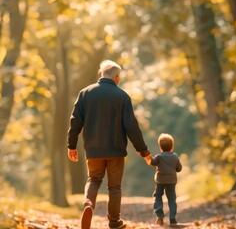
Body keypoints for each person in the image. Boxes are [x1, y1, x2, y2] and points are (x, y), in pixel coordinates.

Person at [67, 59, 152, 229]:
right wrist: (143, 151)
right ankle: (114, 222)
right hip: (116, 151)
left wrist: (72, 145)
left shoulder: (85, 93)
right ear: (117, 78)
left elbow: (75, 121)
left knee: (93, 179)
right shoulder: (122, 96)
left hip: (93, 150)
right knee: (114, 187)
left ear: (101, 74)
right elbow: (131, 126)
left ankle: (88, 204)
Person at [145, 133, 182, 226]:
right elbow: (179, 169)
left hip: (160, 181)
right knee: (172, 199)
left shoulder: (159, 157)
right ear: (172, 146)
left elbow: (152, 162)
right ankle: (172, 219)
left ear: (160, 147)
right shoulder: (175, 156)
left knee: (157, 196)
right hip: (171, 181)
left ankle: (160, 216)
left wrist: (148, 157)